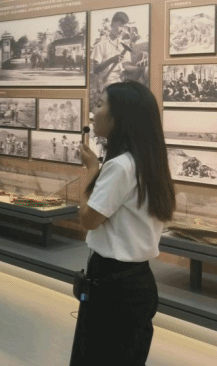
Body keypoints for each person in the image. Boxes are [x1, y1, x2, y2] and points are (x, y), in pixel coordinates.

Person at [70, 81, 176, 365]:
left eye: (100, 104)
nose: (94, 113)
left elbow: (88, 220)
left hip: (112, 286)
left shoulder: (119, 166)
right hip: (138, 282)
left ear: (119, 117)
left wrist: (91, 170)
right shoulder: (147, 161)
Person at [91, 12, 136, 94]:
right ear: (112, 24)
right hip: (106, 82)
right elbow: (95, 69)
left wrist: (138, 68)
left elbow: (125, 66)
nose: (122, 30)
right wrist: (111, 60)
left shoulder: (124, 45)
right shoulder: (101, 44)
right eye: (120, 26)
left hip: (121, 80)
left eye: (124, 27)